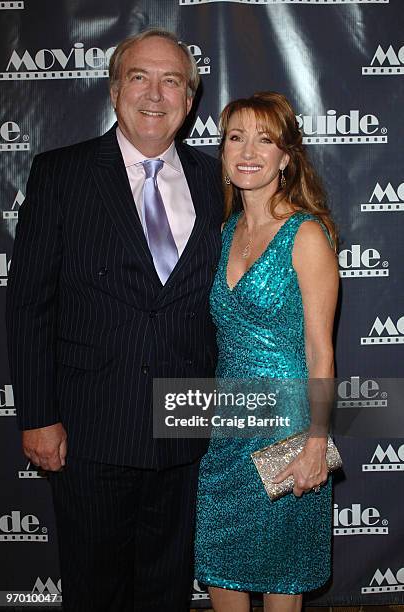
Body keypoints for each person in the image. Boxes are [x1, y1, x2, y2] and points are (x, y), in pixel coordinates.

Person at [6, 29, 222, 612]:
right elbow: (28, 306)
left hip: (185, 434)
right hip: (89, 432)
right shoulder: (60, 175)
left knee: (167, 590)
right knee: (96, 592)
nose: (155, 94)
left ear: (189, 98)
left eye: (172, 81)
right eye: (139, 77)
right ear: (113, 89)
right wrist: (39, 417)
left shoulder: (217, 180)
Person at [195, 92, 339, 612]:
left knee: (283, 581)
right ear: (224, 153)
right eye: (236, 137)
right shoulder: (225, 231)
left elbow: (322, 354)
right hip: (227, 428)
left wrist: (316, 444)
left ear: (285, 157)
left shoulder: (307, 235)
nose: (248, 150)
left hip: (288, 432)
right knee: (220, 568)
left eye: (265, 139)